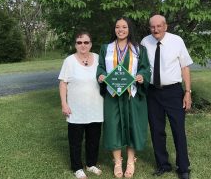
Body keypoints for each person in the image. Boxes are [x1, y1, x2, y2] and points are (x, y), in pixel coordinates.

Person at [97, 16, 150, 178]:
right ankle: (118, 162)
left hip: (131, 94)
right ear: (114, 29)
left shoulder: (139, 49)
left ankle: (131, 162)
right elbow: (100, 67)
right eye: (118, 27)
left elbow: (145, 68)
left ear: (129, 29)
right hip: (113, 95)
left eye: (124, 27)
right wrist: (100, 75)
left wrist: (141, 76)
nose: (121, 30)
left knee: (133, 126)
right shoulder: (106, 48)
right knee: (113, 127)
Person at [141, 15, 193, 179]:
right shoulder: (145, 42)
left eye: (159, 26)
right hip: (152, 92)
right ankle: (163, 164)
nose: (155, 30)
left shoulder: (177, 41)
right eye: (152, 27)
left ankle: (183, 168)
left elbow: (184, 68)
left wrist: (187, 92)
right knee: (157, 130)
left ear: (166, 26)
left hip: (173, 92)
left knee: (178, 129)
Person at [58, 31, 104, 179]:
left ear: (90, 44)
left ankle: (91, 164)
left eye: (86, 42)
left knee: (94, 139)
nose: (82, 45)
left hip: (96, 107)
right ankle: (77, 167)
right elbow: (63, 84)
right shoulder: (69, 61)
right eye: (79, 42)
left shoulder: (98, 58)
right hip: (76, 109)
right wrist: (64, 104)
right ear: (75, 44)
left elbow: (106, 78)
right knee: (75, 140)